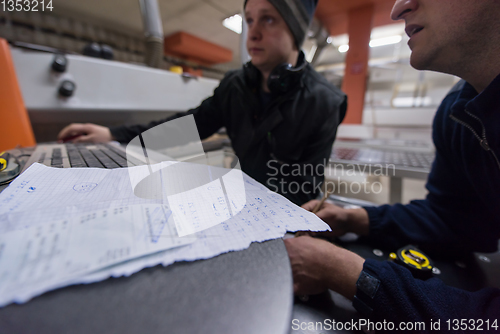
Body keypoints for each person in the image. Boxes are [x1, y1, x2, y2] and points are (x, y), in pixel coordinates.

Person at [285, 0, 500, 327]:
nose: (398, 8)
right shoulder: (458, 113)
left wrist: (349, 273)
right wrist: (356, 218)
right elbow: (455, 219)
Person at [57, 0, 347, 206]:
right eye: (249, 20)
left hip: (278, 216)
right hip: (237, 202)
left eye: (268, 18)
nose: (253, 32)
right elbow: (187, 127)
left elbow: (303, 188)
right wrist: (112, 134)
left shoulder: (325, 102)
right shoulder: (235, 86)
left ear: (295, 30)